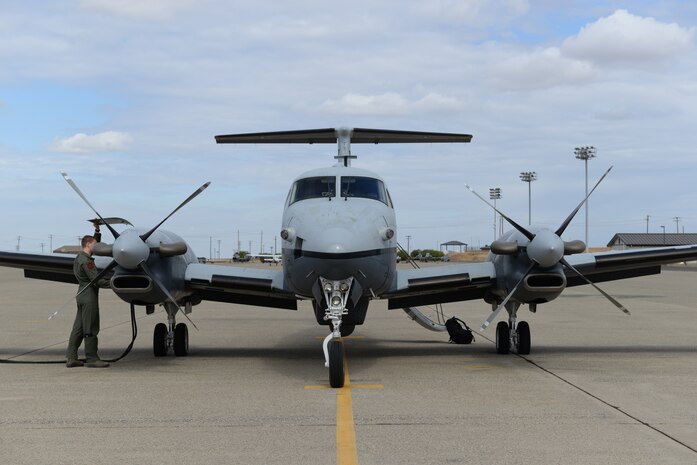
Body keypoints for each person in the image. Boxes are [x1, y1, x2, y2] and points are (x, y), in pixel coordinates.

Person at [65, 235, 111, 368]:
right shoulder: (88, 262)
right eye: (95, 244)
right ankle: (92, 358)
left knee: (78, 328)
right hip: (89, 296)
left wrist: (97, 232)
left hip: (81, 295)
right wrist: (114, 283)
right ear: (88, 244)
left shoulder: (80, 257)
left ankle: (71, 357)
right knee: (91, 327)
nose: (96, 246)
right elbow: (96, 280)